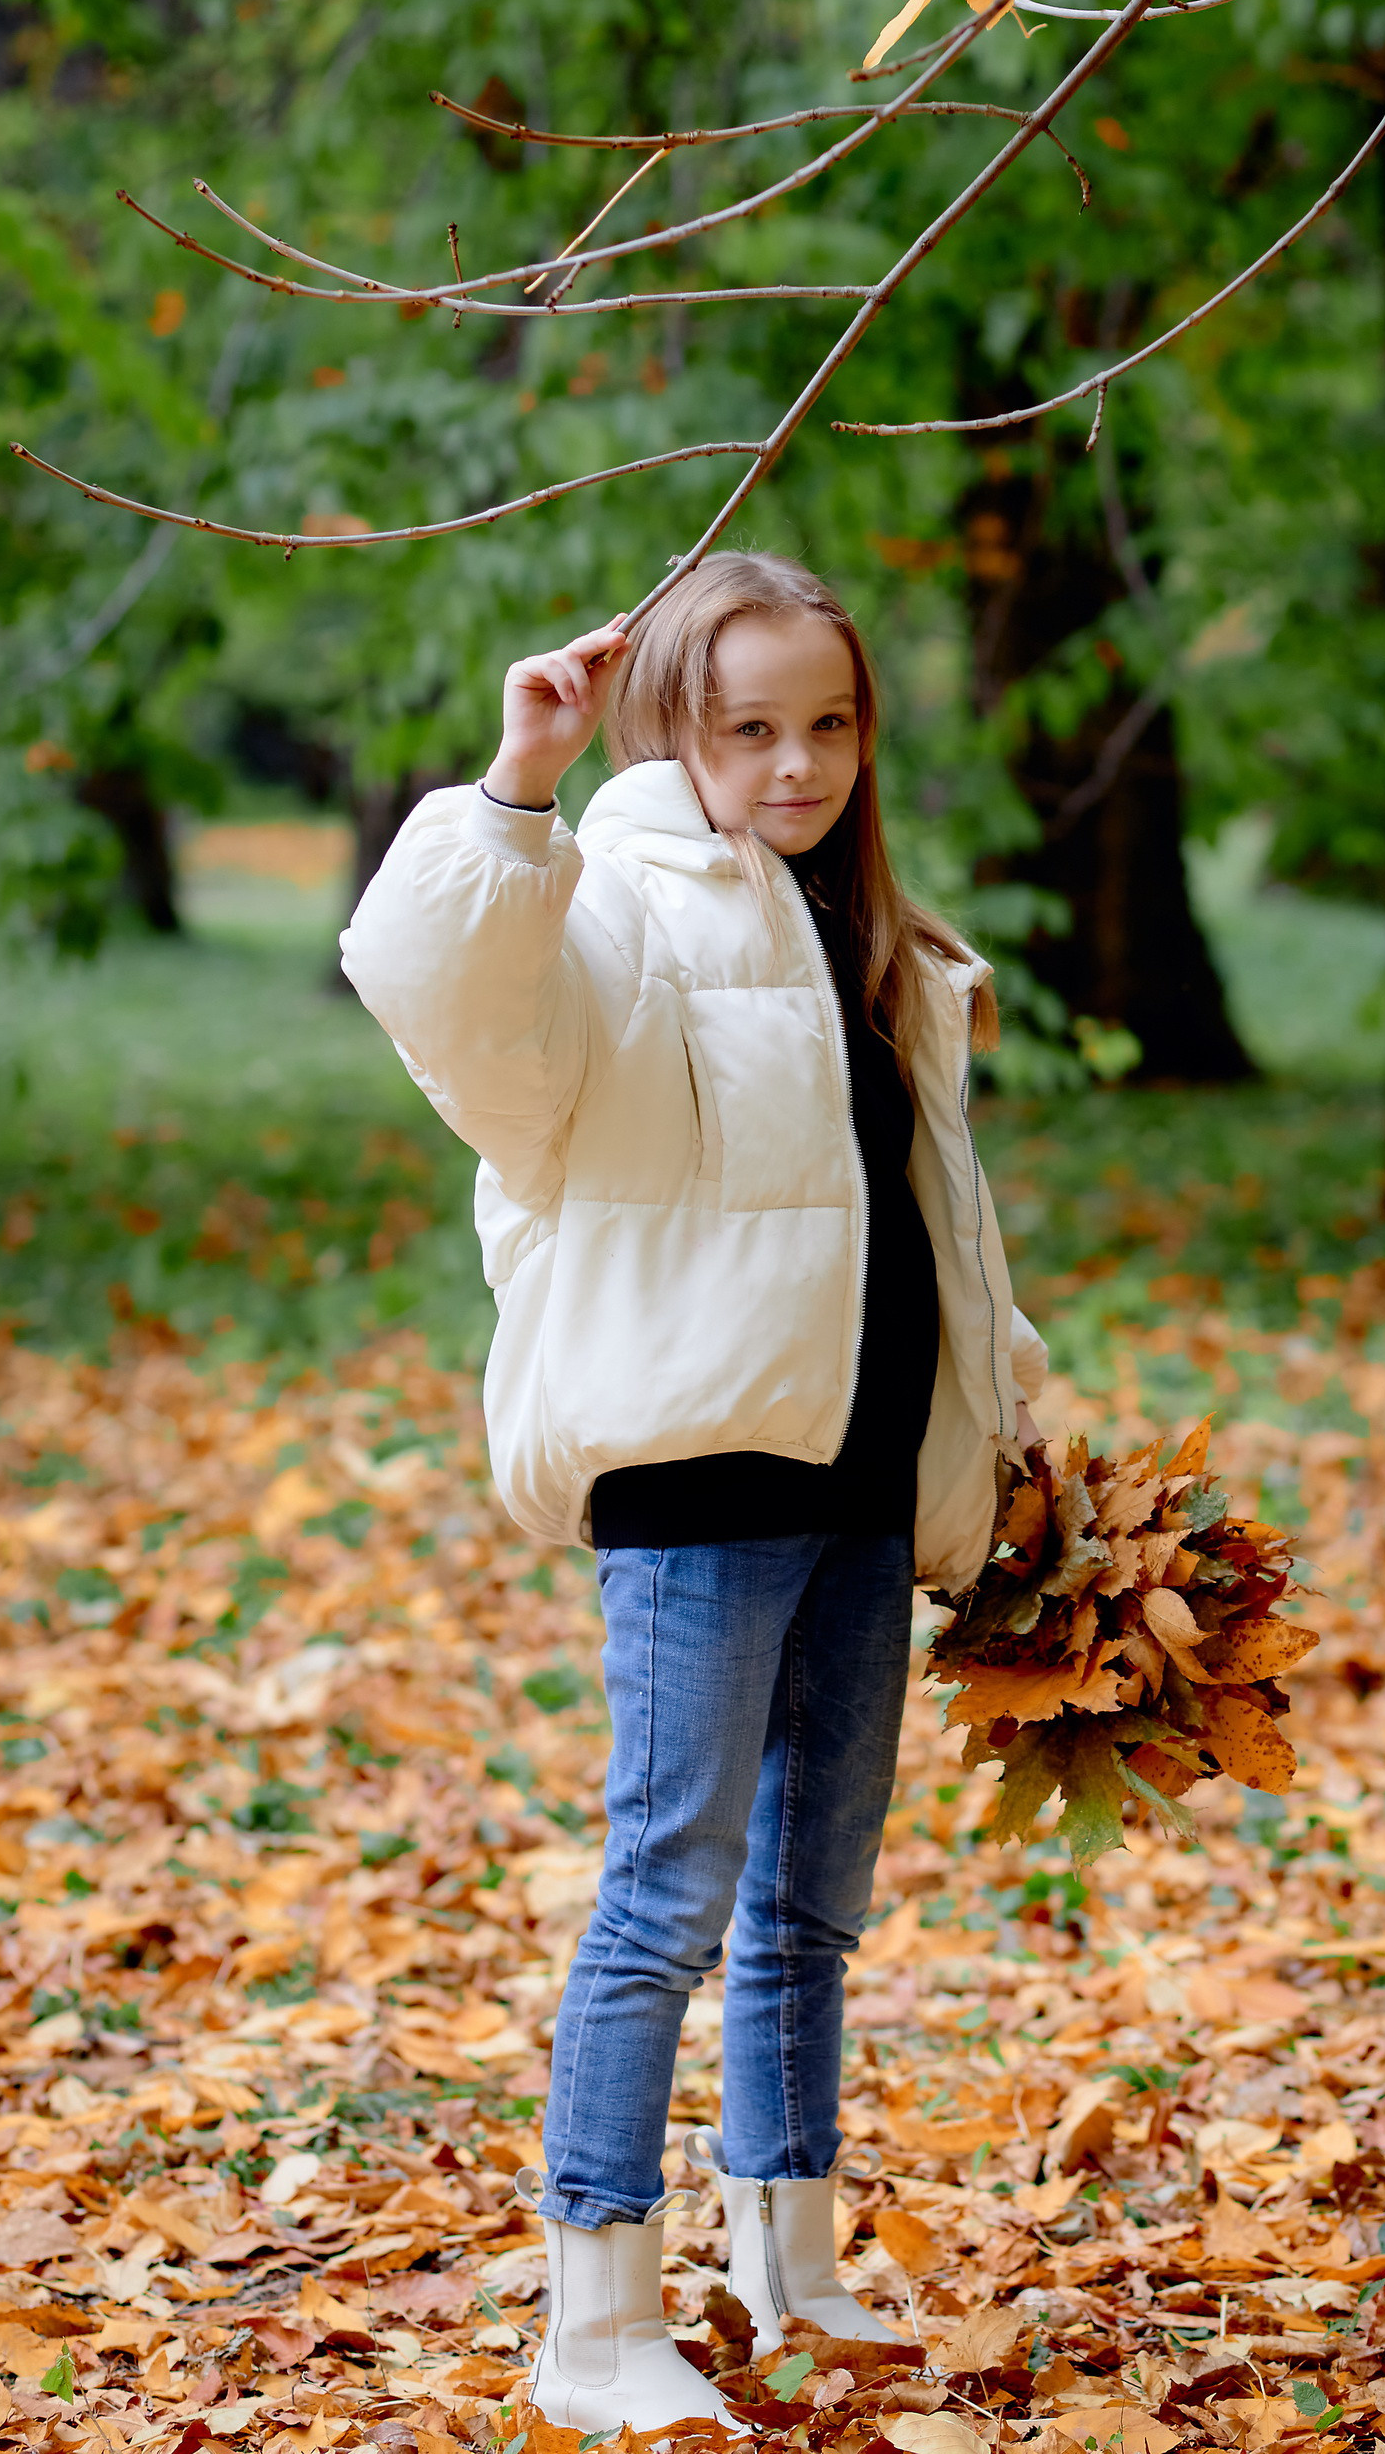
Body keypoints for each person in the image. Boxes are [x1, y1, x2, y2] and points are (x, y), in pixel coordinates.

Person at [340, 550, 1047, 2434]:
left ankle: (790, 2260)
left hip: (865, 1472)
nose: (797, 764)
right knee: (669, 1889)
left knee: (813, 1906)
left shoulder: (862, 922)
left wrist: (1016, 1416)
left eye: (831, 723)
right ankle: (593, 2321)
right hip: (700, 1475)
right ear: (680, 724)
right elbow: (448, 1006)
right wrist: (516, 788)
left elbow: (924, 1227)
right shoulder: (612, 908)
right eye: (752, 728)